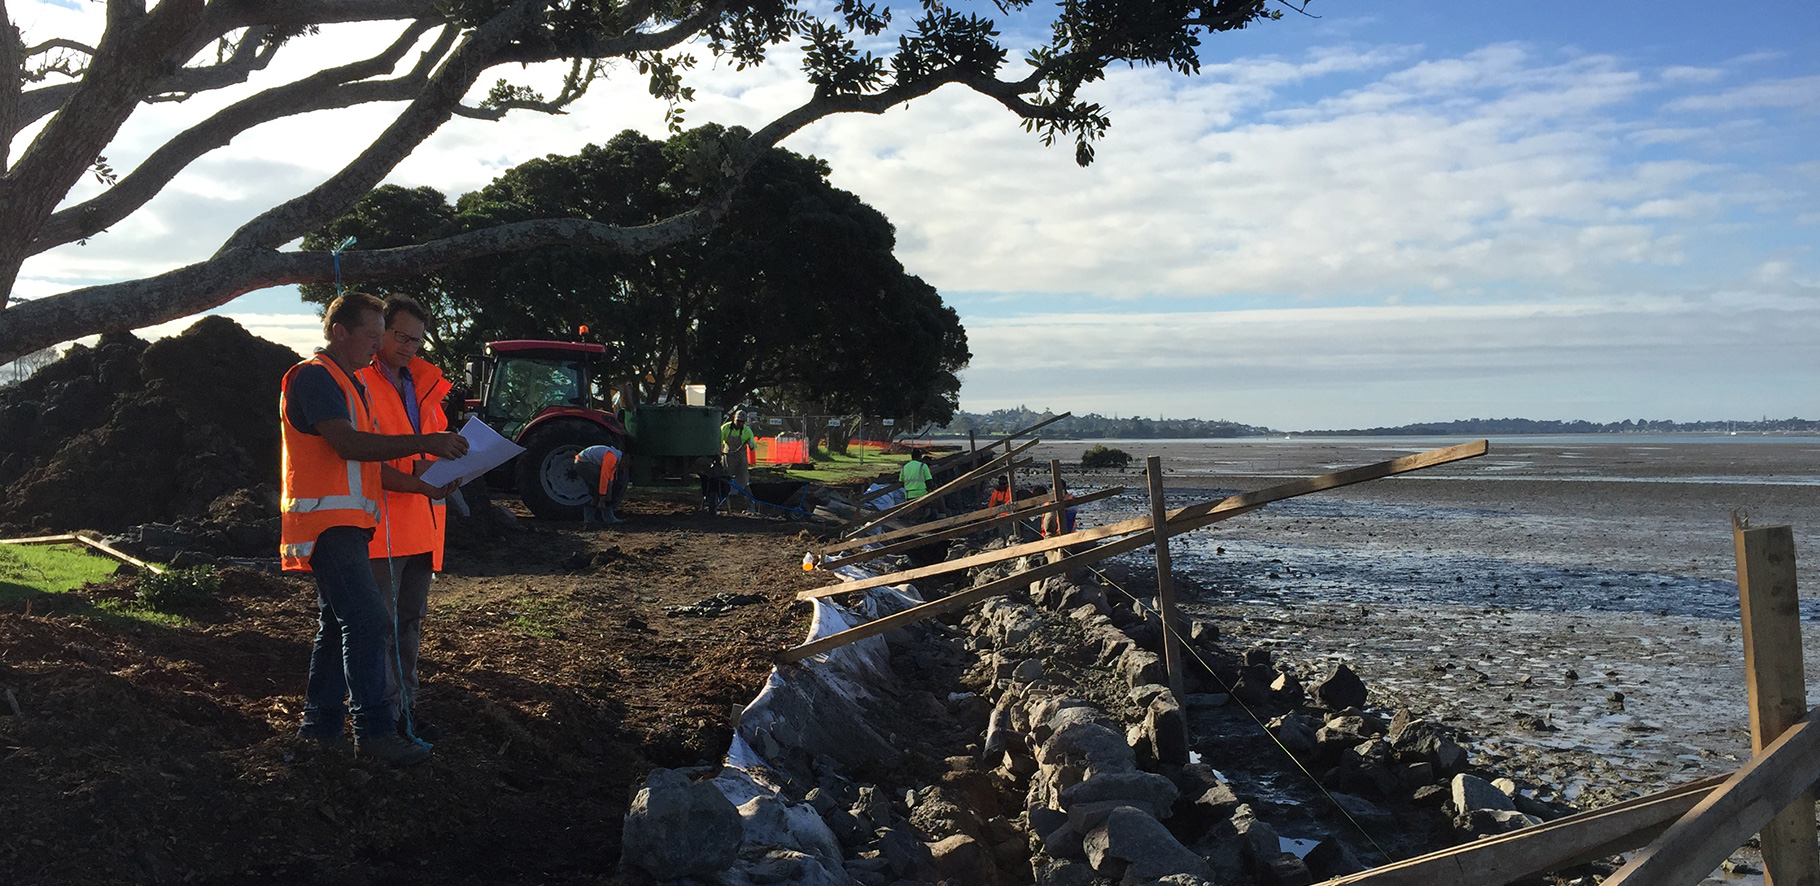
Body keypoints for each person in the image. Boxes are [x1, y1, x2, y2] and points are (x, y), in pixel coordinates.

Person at [282, 291, 467, 767]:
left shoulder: (346, 383)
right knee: (368, 621)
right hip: (330, 524)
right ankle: (375, 733)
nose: (376, 345)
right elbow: (348, 445)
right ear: (339, 332)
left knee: (337, 625)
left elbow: (363, 452)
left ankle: (319, 727)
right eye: (373, 335)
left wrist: (422, 475)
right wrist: (426, 443)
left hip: (349, 523)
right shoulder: (317, 378)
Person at [355, 296, 456, 744]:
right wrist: (421, 477)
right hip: (379, 528)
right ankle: (382, 718)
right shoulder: (358, 381)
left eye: (416, 339)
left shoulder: (425, 385)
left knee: (409, 621)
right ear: (379, 331)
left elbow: (431, 453)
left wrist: (451, 472)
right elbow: (362, 458)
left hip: (422, 521)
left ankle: (405, 713)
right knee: (380, 626)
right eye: (400, 336)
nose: (409, 346)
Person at [574, 443, 627, 525]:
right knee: (600, 489)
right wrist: (603, 496)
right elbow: (604, 476)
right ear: (624, 459)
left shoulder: (616, 463)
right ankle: (608, 519)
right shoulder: (612, 457)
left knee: (597, 493)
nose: (624, 467)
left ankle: (589, 519)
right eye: (626, 464)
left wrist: (607, 492)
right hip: (583, 463)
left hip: (582, 462)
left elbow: (609, 480)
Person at [719, 410, 757, 514]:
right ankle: (722, 505)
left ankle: (750, 507)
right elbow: (718, 442)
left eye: (742, 422)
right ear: (734, 419)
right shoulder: (725, 428)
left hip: (741, 457)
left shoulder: (747, 430)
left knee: (745, 480)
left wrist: (751, 444)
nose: (740, 424)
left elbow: (753, 446)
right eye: (738, 421)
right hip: (728, 456)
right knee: (726, 479)